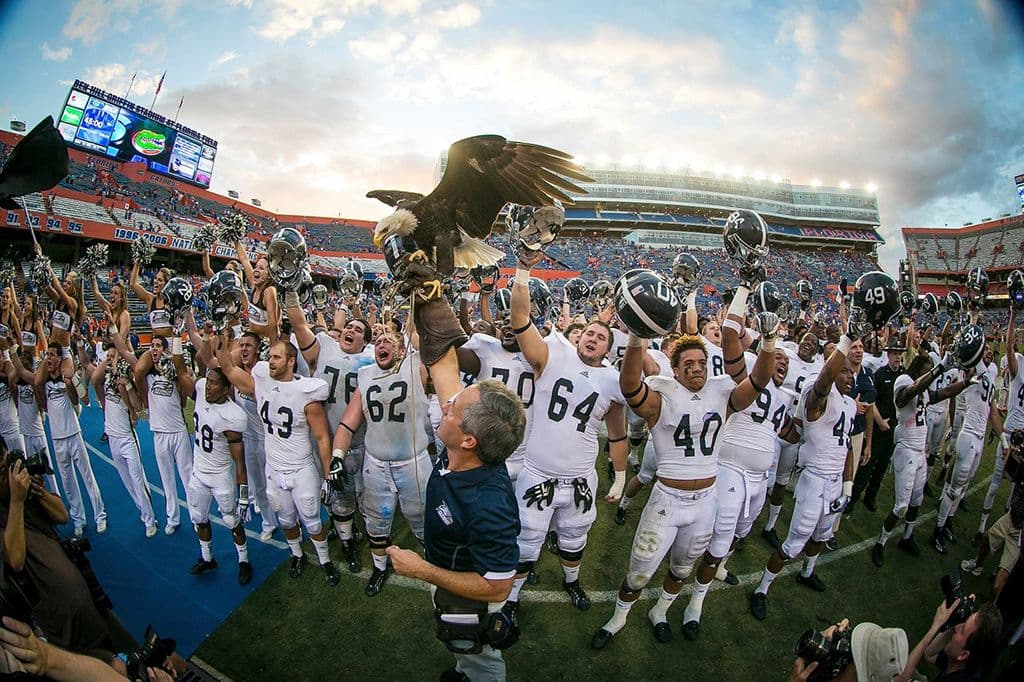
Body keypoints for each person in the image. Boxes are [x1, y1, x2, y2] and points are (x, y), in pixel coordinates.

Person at [591, 293, 780, 648]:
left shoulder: (722, 395)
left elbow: (758, 381)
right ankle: (617, 618)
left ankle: (660, 611)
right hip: (667, 500)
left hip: (705, 502)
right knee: (639, 571)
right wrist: (635, 336)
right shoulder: (663, 395)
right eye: (688, 364)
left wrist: (769, 343)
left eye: (700, 363)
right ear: (675, 370)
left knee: (681, 569)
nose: (696, 368)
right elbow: (630, 385)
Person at [385, 293, 524, 682]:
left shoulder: (488, 504)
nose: (445, 403)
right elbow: (445, 367)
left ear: (469, 441)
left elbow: (497, 587)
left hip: (467, 595)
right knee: (463, 653)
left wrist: (425, 570)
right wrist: (430, 292)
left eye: (453, 407)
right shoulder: (466, 441)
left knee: (482, 660)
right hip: (449, 569)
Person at [502, 250, 627, 620]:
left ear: (608, 348)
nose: (592, 338)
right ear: (578, 337)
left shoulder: (612, 381)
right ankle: (510, 598)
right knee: (526, 542)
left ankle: (571, 580)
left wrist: (620, 476)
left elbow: (618, 437)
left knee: (574, 537)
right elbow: (520, 318)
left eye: (601, 337)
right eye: (588, 332)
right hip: (538, 472)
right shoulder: (551, 355)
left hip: (581, 481)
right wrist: (524, 269)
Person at [749, 326, 857, 620]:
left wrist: (847, 488)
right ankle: (762, 588)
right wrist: (843, 347)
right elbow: (822, 385)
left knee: (821, 535)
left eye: (852, 372)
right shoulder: (820, 396)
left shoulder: (849, 404)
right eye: (844, 371)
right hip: (815, 480)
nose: (849, 376)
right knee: (793, 543)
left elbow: (847, 448)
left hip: (835, 483)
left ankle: (807, 573)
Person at [218, 335, 339, 585]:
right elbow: (228, 368)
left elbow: (323, 437)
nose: (270, 361)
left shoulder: (307, 391)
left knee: (313, 522)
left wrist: (327, 476)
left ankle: (325, 560)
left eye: (276, 357)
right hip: (273, 467)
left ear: (291, 361)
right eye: (269, 356)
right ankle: (296, 554)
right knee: (286, 520)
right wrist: (220, 338)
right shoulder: (261, 381)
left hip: (301, 467)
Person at [332, 330, 430, 596]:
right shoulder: (365, 375)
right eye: (378, 341)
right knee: (376, 522)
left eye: (389, 340)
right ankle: (379, 567)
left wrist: (414, 322)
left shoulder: (415, 366)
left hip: (413, 464)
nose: (381, 344)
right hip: (375, 465)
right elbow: (346, 424)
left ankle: (435, 566)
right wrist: (337, 457)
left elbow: (429, 346)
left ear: (401, 349)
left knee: (423, 522)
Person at [286, 292, 374, 573]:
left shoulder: (372, 360)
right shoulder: (324, 344)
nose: (350, 330)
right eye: (349, 326)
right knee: (337, 497)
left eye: (358, 330)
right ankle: (347, 542)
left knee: (364, 497)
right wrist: (291, 291)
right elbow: (300, 326)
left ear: (365, 341)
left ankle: (363, 533)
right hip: (324, 441)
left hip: (359, 444)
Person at [0, 451, 114, 663]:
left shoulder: (24, 492)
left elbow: (61, 515)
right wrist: (16, 500)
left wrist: (38, 492)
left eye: (6, 465)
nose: (7, 475)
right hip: (59, 626)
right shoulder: (13, 503)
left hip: (86, 603)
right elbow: (14, 560)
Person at [871, 352, 970, 566]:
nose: (929, 374)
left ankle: (907, 538)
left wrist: (967, 383)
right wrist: (939, 369)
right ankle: (880, 543)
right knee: (901, 506)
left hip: (919, 452)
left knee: (917, 501)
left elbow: (943, 393)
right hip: (906, 450)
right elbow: (906, 395)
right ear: (918, 370)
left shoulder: (924, 391)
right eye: (926, 370)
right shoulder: (904, 381)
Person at [114, 334, 193, 535]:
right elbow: (125, 352)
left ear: (165, 350)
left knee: (188, 478)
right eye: (152, 346)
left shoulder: (175, 374)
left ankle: (196, 515)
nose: (154, 349)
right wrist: (113, 328)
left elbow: (184, 397)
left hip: (178, 432)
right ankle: (172, 518)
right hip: (159, 434)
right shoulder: (146, 376)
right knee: (167, 480)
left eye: (159, 346)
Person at [186, 368, 253, 585]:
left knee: (232, 519)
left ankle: (243, 560)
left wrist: (244, 494)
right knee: (199, 517)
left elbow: (239, 460)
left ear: (226, 389)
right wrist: (179, 336)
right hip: (199, 471)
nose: (208, 386)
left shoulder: (232, 415)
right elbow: (180, 370)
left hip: (220, 475)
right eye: (209, 381)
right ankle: (207, 558)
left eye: (215, 383)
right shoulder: (200, 389)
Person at [83, 345, 157, 538]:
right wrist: (109, 362)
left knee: (138, 480)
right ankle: (143, 511)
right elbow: (94, 379)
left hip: (127, 439)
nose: (109, 358)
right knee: (127, 482)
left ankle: (151, 520)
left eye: (113, 355)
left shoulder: (125, 380)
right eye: (107, 356)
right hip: (113, 440)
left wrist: (126, 384)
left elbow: (138, 407)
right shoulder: (104, 383)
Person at [41, 343, 106, 536]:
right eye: (47, 355)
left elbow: (81, 401)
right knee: (68, 482)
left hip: (74, 434)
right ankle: (79, 519)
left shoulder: (67, 378)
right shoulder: (43, 382)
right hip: (57, 438)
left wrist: (69, 384)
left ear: (60, 359)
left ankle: (100, 515)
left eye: (52, 355)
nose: (49, 359)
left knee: (87, 477)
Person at [902, 597, 1003, 681]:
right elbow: (929, 654)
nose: (957, 627)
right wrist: (953, 622)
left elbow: (898, 680)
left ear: (963, 655)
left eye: (962, 630)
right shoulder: (963, 663)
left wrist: (935, 627)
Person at [129, 264, 173, 338]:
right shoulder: (151, 299)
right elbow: (133, 285)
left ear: (167, 284)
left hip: (171, 344)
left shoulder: (173, 301)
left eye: (160, 280)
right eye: (155, 278)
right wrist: (138, 262)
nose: (155, 281)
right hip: (156, 344)